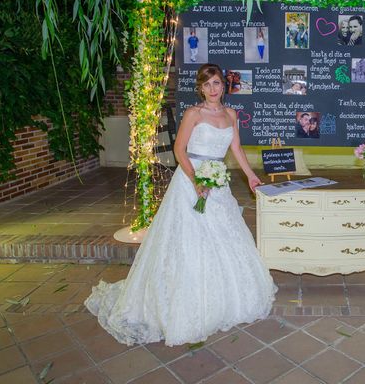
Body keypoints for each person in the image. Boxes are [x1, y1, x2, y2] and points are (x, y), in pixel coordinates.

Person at [85, 64, 276, 346]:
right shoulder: (193, 114)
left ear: (225, 86)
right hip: (191, 180)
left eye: (218, 83)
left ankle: (224, 296)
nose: (214, 89)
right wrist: (196, 179)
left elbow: (235, 149)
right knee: (188, 239)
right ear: (200, 88)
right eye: (208, 84)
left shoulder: (231, 114)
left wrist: (250, 176)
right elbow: (179, 150)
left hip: (218, 184)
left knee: (224, 236)